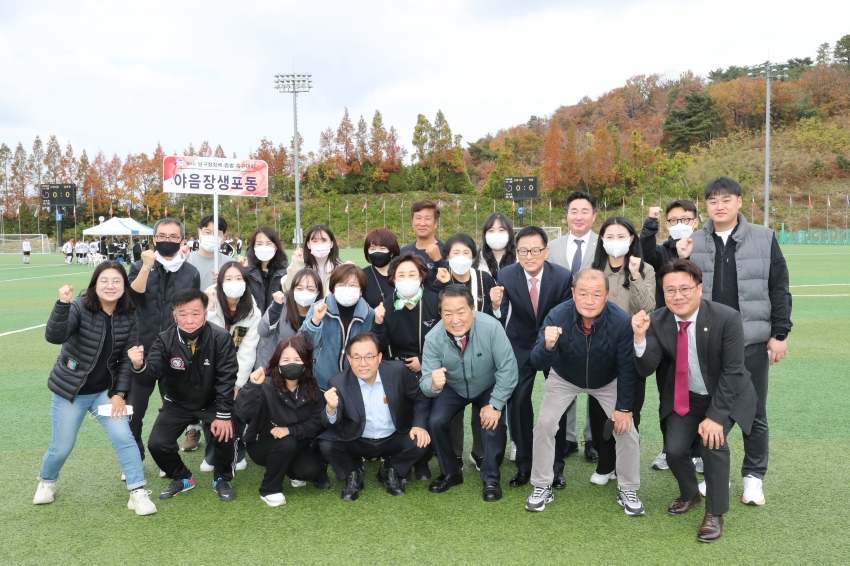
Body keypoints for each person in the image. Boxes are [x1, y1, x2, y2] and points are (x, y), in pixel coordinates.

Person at [679, 176, 792, 506]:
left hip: (752, 340)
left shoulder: (764, 237)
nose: (720, 206)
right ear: (706, 206)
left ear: (740, 201)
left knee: (754, 411)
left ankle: (753, 477)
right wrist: (679, 253)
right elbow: (678, 288)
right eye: (713, 201)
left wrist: (779, 333)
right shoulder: (693, 241)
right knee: (711, 408)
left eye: (726, 199)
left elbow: (779, 288)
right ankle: (717, 477)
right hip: (707, 341)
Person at [632, 259, 758, 542]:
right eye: (670, 290)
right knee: (674, 450)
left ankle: (715, 512)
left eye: (685, 288)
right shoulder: (659, 320)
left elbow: (733, 372)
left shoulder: (726, 317)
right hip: (684, 396)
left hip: (725, 395)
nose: (678, 296)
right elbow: (646, 366)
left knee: (712, 445)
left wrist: (715, 418)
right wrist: (639, 337)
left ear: (700, 288)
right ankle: (690, 494)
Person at [34, 262, 157, 516]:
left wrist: (119, 394)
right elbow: (54, 337)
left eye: (116, 281)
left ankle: (137, 492)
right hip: (71, 390)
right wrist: (62, 304)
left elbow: (126, 358)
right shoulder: (79, 307)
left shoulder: (130, 314)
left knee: (125, 437)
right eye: (104, 280)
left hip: (106, 391)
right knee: (62, 446)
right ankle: (47, 481)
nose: (110, 286)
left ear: (124, 286)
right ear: (94, 284)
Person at [525, 269, 644, 517]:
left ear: (607, 295)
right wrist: (547, 345)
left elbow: (626, 368)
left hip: (607, 379)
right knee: (545, 424)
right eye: (583, 293)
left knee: (627, 429)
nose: (589, 301)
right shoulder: (557, 314)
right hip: (565, 376)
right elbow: (536, 362)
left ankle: (629, 488)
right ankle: (541, 485)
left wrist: (623, 408)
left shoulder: (621, 320)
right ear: (573, 293)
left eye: (597, 294)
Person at [127, 288, 240, 502]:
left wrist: (223, 414)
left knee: (226, 433)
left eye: (195, 313)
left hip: (212, 402)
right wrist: (138, 365)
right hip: (177, 403)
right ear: (174, 316)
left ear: (205, 314)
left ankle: (222, 479)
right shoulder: (164, 339)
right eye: (183, 314)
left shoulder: (221, 338)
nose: (189, 320)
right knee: (157, 444)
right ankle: (183, 477)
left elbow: (227, 379)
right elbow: (150, 373)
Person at [489, 226, 573, 490]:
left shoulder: (561, 277)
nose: (529, 255)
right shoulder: (505, 274)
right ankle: (524, 465)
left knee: (557, 405)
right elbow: (501, 313)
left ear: (545, 251)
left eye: (535, 250)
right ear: (516, 252)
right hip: (519, 345)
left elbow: (563, 314)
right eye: (523, 250)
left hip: (552, 344)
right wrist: (493, 306)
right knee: (519, 401)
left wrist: (549, 341)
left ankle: (556, 467)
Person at [421, 285, 518, 501]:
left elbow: (508, 368)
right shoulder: (433, 338)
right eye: (448, 313)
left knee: (492, 422)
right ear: (440, 314)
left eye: (461, 312)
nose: (455, 319)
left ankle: (491, 478)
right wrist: (434, 385)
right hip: (453, 387)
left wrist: (495, 404)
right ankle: (451, 471)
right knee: (436, 420)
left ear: (473, 310)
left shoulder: (491, 327)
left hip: (487, 384)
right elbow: (426, 380)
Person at [319, 332, 430, 501]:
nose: (363, 363)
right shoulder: (338, 382)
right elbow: (330, 423)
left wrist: (419, 424)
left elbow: (420, 397)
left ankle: (390, 469)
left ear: (379, 357)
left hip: (393, 436)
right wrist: (331, 408)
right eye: (357, 357)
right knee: (326, 445)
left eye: (369, 356)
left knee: (422, 441)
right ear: (349, 359)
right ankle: (352, 472)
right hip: (357, 438)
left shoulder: (398, 371)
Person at [586, 216, 655, 485]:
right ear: (602, 240)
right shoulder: (592, 269)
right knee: (597, 409)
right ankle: (605, 465)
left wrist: (635, 275)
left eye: (622, 236)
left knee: (630, 409)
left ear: (632, 239)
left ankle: (625, 465)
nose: (616, 242)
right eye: (610, 237)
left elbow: (647, 305)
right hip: (598, 349)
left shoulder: (645, 269)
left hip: (632, 348)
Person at [127, 219, 199, 461]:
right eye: (162, 236)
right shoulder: (139, 265)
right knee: (134, 409)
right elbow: (131, 299)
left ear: (181, 240)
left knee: (172, 408)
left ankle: (165, 453)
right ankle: (134, 455)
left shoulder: (190, 272)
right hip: (141, 349)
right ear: (154, 238)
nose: (167, 241)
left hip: (175, 350)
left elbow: (193, 312)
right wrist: (147, 267)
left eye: (173, 236)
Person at [640, 199, 701, 471]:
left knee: (701, 392)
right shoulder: (662, 251)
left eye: (685, 220)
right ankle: (668, 448)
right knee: (668, 392)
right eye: (674, 221)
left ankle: (698, 451)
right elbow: (644, 251)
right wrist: (650, 223)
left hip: (700, 330)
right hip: (667, 332)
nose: (680, 225)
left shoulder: (706, 250)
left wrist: (689, 257)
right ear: (667, 225)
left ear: (696, 222)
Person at [237, 336, 330, 507]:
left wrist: (290, 430)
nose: (291, 364)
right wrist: (252, 387)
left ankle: (289, 469)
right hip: (263, 443)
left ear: (305, 364)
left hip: (297, 443)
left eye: (297, 359)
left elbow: (316, 423)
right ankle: (269, 489)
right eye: (286, 359)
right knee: (286, 443)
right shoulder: (264, 385)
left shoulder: (312, 387)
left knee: (311, 470)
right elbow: (244, 412)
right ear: (277, 363)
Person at [371, 252, 440, 479]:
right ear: (393, 279)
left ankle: (422, 462)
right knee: (402, 414)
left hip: (428, 369)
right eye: (401, 274)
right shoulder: (387, 306)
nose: (407, 278)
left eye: (412, 273)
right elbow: (378, 346)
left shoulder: (434, 301)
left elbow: (445, 340)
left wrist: (425, 362)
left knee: (431, 414)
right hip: (396, 371)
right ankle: (405, 459)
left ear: (422, 276)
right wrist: (378, 323)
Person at [547, 191, 600, 463]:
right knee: (564, 378)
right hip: (564, 324)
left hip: (597, 322)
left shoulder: (604, 244)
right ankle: (566, 437)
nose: (578, 216)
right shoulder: (552, 247)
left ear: (594, 215)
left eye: (584, 211)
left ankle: (592, 438)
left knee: (596, 379)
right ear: (566, 214)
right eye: (573, 211)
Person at [200, 260, 262, 472]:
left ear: (245, 282)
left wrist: (235, 385)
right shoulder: (210, 305)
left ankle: (238, 451)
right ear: (220, 282)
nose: (234, 283)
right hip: (208, 372)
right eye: (228, 279)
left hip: (238, 374)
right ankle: (211, 454)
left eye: (239, 278)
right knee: (209, 410)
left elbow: (247, 352)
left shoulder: (253, 312)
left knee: (237, 409)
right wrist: (208, 306)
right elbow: (203, 343)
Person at [300, 264, 375, 389]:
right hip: (321, 384)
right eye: (341, 285)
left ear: (361, 291)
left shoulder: (369, 314)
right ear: (333, 288)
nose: (346, 289)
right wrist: (315, 322)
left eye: (352, 285)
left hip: (356, 385)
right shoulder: (318, 308)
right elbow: (302, 343)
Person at [255, 268, 323, 370]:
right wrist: (275, 308)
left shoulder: (321, 311)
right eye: (300, 288)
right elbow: (263, 331)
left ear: (318, 293)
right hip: (272, 368)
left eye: (311, 289)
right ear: (292, 289)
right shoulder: (280, 304)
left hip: (303, 371)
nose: (305, 292)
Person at [432, 233, 496, 316]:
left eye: (466, 252)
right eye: (456, 253)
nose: (461, 257)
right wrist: (441, 283)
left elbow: (494, 309)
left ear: (473, 256)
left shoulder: (484, 278)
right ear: (447, 257)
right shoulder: (442, 280)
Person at [240, 226, 289, 315]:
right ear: (253, 246)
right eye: (259, 243)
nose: (264, 247)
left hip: (275, 322)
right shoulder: (245, 268)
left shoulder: (285, 271)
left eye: (269, 243)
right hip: (251, 322)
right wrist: (243, 270)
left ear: (276, 246)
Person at [284, 225, 343, 294]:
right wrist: (297, 262)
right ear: (308, 244)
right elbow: (288, 289)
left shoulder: (340, 268)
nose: (319, 244)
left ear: (331, 244)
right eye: (315, 241)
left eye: (324, 240)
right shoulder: (300, 266)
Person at [399, 200, 448, 282]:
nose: (422, 223)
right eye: (418, 218)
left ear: (435, 223)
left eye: (427, 218)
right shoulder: (402, 252)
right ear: (412, 222)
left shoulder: (445, 251)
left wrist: (438, 260)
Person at [186, 215, 234, 290]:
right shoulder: (186, 260)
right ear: (199, 232)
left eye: (217, 234)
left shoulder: (230, 264)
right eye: (207, 232)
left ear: (223, 237)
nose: (212, 236)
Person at [361, 227, 399, 308]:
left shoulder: (403, 273)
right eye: (372, 249)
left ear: (392, 251)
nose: (377, 252)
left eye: (382, 248)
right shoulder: (362, 276)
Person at [480, 213, 517, 282]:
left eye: (501, 230)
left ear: (510, 233)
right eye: (491, 230)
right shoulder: (476, 261)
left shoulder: (520, 259)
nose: (496, 234)